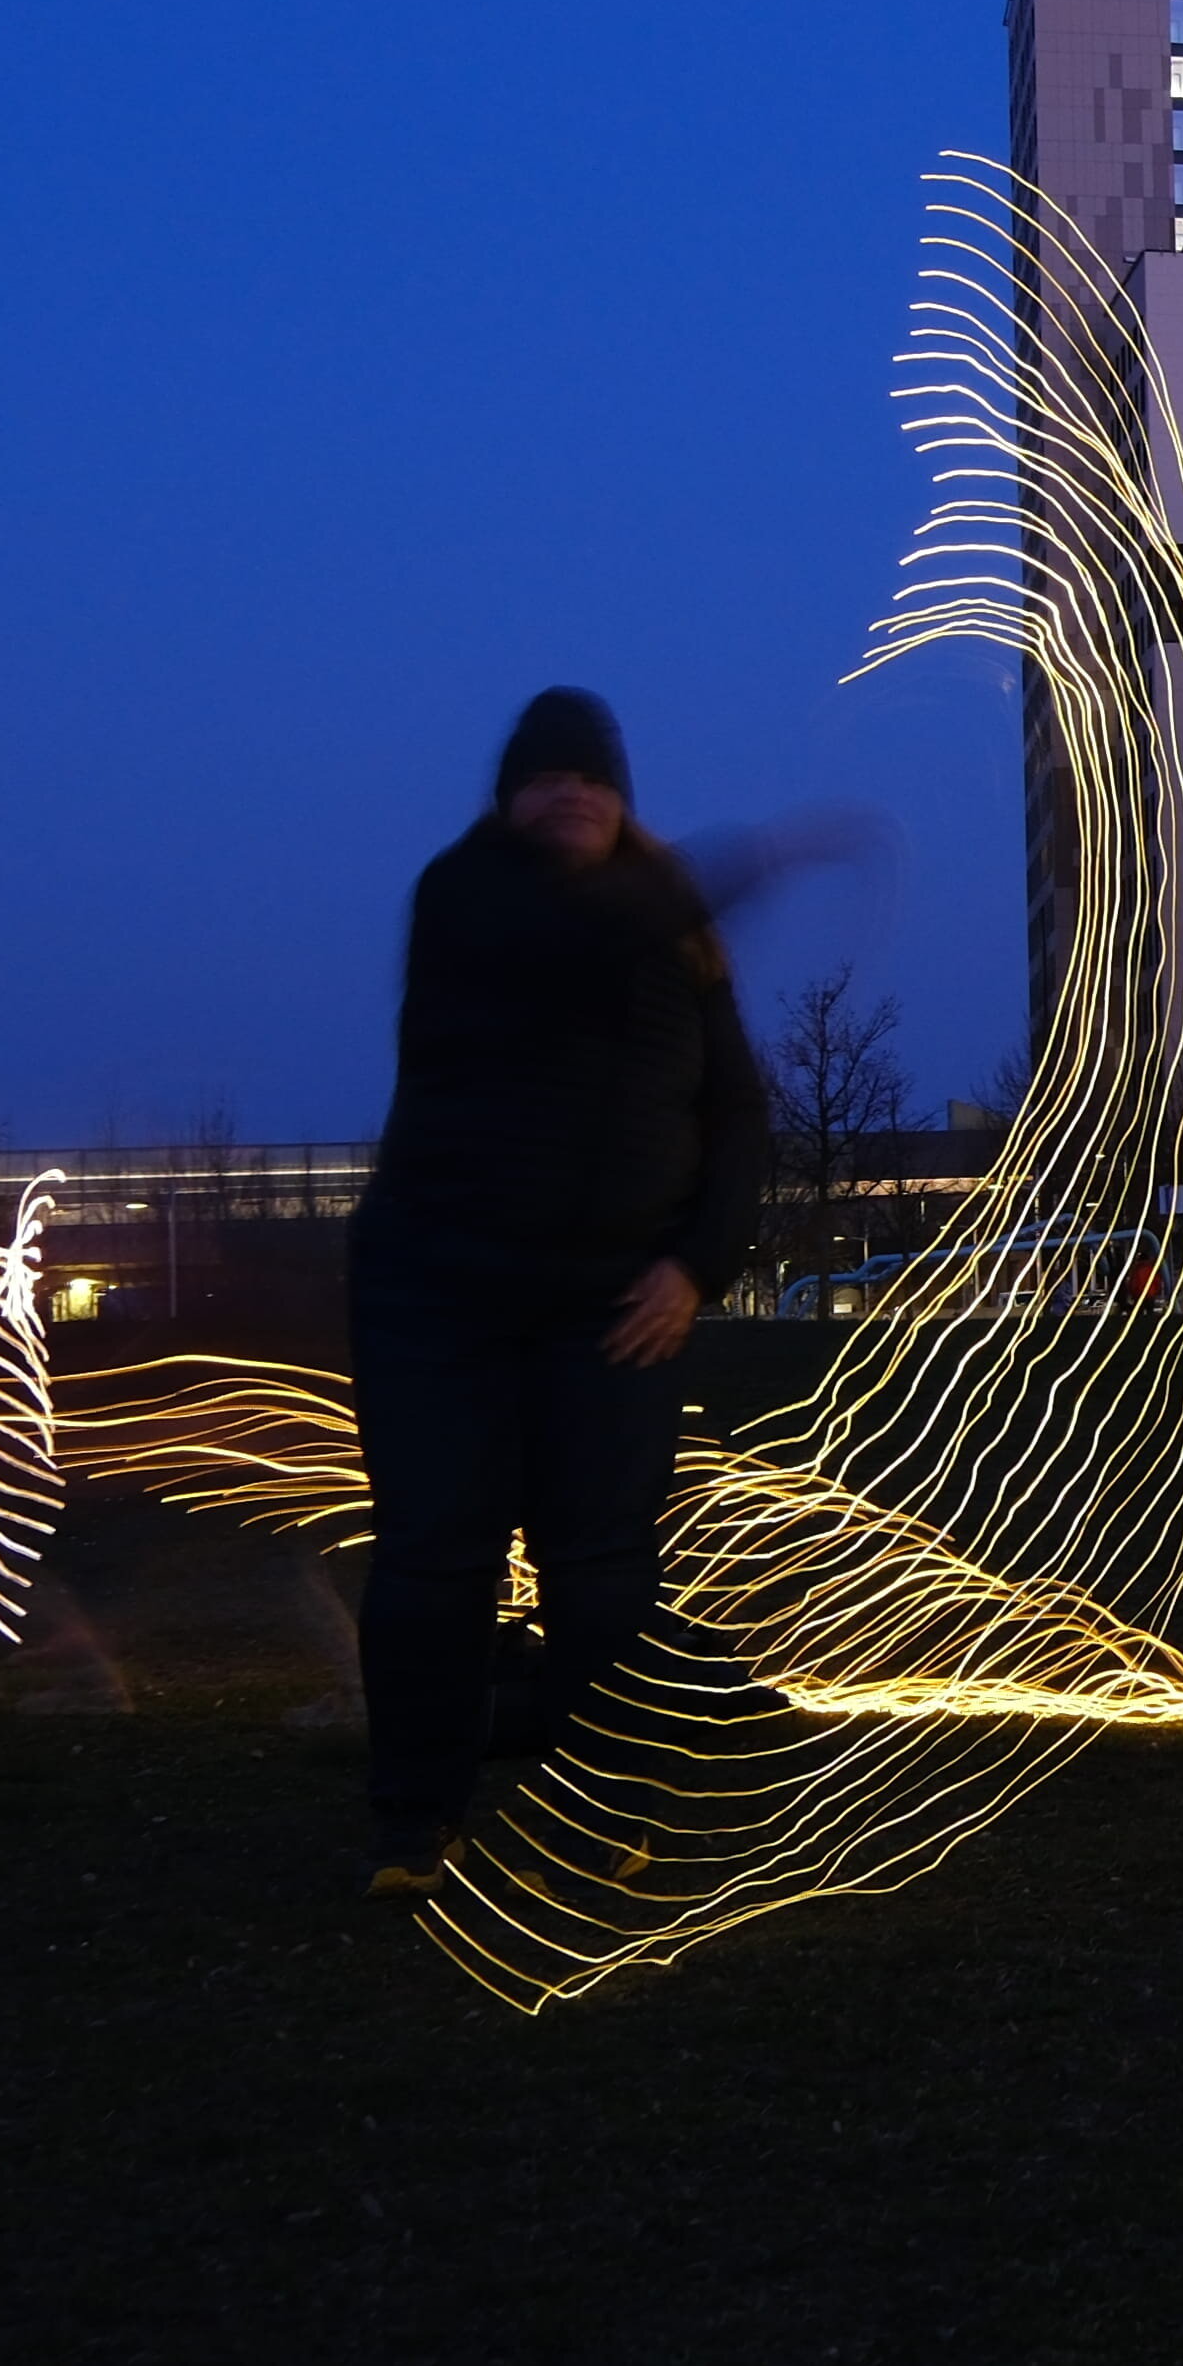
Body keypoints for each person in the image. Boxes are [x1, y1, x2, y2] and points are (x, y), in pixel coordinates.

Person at [346, 687, 772, 1895]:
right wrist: (743, 863)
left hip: (614, 1306)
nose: (571, 793)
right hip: (440, 1295)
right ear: (507, 795)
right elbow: (567, 947)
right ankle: (414, 1824)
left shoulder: (671, 931)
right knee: (436, 1560)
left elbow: (737, 1113)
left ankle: (606, 1808)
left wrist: (698, 1263)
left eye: (594, 778)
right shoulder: (468, 897)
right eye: (547, 776)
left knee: (603, 1572)